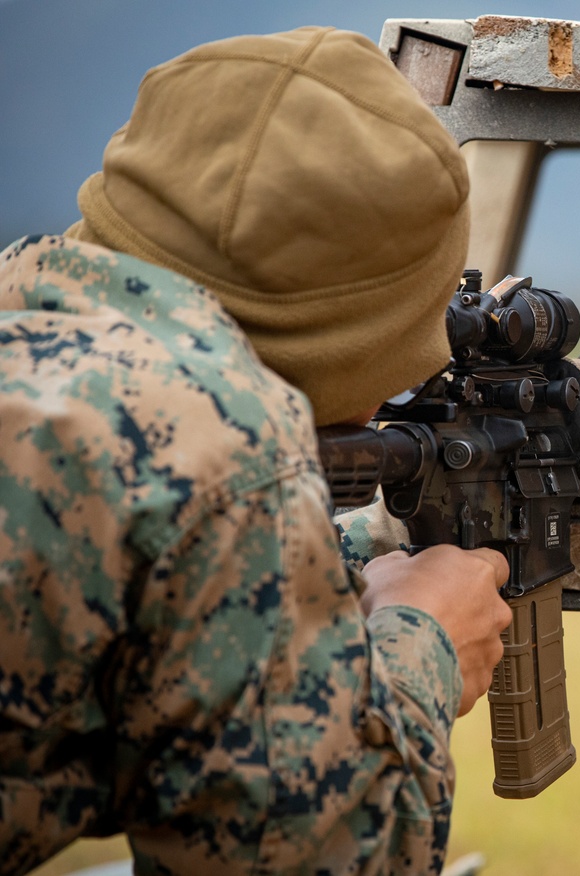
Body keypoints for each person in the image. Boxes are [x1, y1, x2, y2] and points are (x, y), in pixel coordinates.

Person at [0, 26, 514, 875]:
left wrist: (342, 552)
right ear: (349, 344)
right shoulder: (227, 440)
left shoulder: (33, 325)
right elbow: (309, 859)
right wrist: (425, 643)